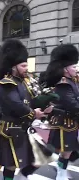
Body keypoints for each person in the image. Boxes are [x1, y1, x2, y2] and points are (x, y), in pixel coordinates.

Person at [0, 39, 49, 180]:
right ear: (14, 67)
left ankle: (22, 176)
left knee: (43, 154)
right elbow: (16, 104)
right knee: (10, 165)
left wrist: (46, 105)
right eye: (23, 65)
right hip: (11, 129)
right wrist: (34, 113)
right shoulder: (6, 83)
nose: (27, 68)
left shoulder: (25, 83)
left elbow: (33, 100)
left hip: (25, 127)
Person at [44, 44, 79, 179]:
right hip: (66, 122)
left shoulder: (73, 82)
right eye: (73, 67)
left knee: (70, 151)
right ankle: (61, 173)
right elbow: (73, 105)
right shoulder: (63, 83)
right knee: (66, 151)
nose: (76, 69)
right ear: (65, 69)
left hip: (73, 120)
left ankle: (61, 168)